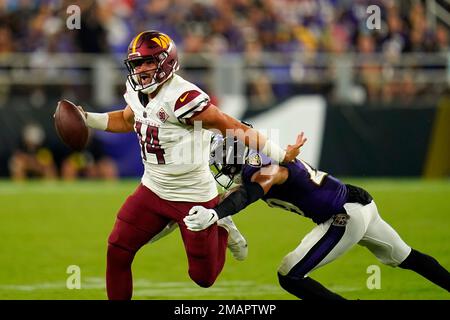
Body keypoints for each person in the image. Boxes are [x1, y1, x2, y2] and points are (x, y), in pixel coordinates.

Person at [75, 30, 303, 300]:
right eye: (137, 63)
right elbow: (126, 120)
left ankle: (222, 223)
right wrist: (86, 118)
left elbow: (233, 127)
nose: (142, 70)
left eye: (149, 62)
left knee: (203, 278)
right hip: (152, 188)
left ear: (166, 63)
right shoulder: (137, 93)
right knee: (117, 250)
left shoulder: (182, 97)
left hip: (193, 195)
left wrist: (279, 153)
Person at [184, 135, 450, 300]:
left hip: (343, 216)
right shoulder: (259, 163)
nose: (221, 171)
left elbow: (249, 193)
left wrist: (216, 214)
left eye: (222, 163)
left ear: (235, 159)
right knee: (405, 256)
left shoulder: (265, 170)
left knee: (289, 275)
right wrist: (218, 214)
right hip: (359, 204)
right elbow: (236, 193)